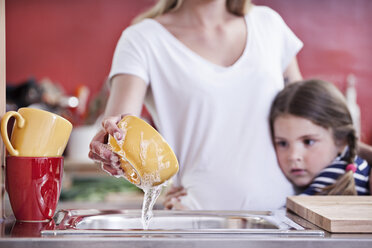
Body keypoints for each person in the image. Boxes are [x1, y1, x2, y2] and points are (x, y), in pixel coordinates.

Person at [89, 0, 304, 210]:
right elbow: (118, 132)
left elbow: (311, 119)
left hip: (283, 218)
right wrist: (111, 149)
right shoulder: (142, 40)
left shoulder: (269, 24)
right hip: (198, 219)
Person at [269, 79, 371, 195]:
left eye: (308, 141)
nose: (293, 156)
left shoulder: (338, 174)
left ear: (341, 141)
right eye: (283, 143)